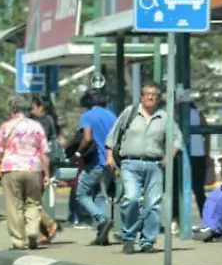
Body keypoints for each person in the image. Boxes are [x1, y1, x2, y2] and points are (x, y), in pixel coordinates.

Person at [105, 82, 182, 254]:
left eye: (154, 94)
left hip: (154, 165)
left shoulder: (164, 117)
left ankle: (148, 241)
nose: (151, 97)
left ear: (158, 98)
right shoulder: (130, 113)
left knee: (153, 204)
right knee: (131, 199)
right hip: (130, 163)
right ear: (141, 96)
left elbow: (177, 139)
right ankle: (129, 238)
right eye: (147, 93)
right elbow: (112, 136)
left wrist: (169, 156)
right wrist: (109, 157)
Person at [0, 94, 50, 250]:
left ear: (12, 109)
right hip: (33, 169)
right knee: (33, 202)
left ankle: (18, 241)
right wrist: (46, 174)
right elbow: (44, 153)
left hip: (11, 169)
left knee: (14, 205)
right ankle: (33, 232)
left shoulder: (6, 127)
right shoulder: (36, 126)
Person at [74, 89, 117, 246]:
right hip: (110, 162)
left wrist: (78, 152)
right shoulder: (112, 115)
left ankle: (101, 219)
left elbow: (87, 137)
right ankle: (102, 237)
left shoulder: (88, 116)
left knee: (81, 193)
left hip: (96, 162)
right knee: (99, 195)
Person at [28, 94, 62, 243]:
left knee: (30, 200)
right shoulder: (44, 120)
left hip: (42, 163)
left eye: (33, 106)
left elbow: (39, 144)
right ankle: (45, 231)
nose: (31, 109)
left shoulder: (44, 122)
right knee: (34, 200)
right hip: (40, 163)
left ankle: (50, 225)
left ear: (41, 107)